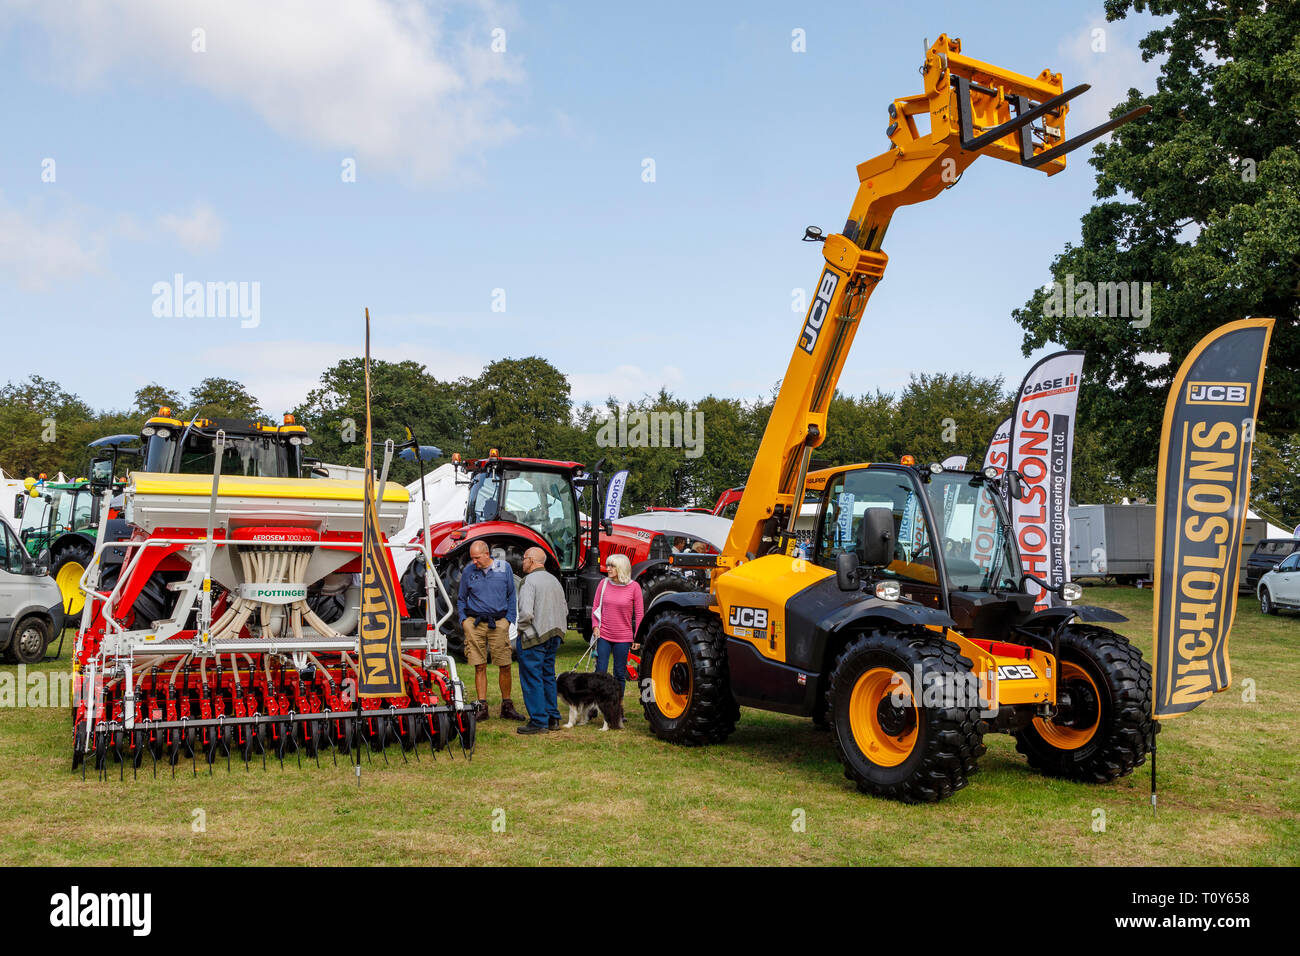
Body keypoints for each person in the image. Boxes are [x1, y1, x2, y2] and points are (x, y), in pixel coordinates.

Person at [458, 540, 525, 721]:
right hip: (475, 623)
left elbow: (512, 594)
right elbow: (461, 598)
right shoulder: (468, 571)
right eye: (472, 558)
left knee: (505, 664)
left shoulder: (505, 568)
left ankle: (507, 706)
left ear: (487, 554)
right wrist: (464, 621)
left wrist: (509, 620)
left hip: (499, 623)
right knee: (479, 665)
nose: (474, 562)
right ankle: (482, 706)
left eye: (477, 558)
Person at [514, 547, 567, 735]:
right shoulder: (554, 580)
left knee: (532, 678)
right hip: (554, 634)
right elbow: (565, 609)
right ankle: (553, 717)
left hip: (534, 636)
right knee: (547, 676)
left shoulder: (529, 581)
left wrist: (520, 629)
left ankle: (538, 721)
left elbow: (526, 612)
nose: (522, 562)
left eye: (524, 558)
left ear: (531, 560)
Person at [592, 553, 642, 698]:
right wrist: (595, 626)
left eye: (612, 566)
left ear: (621, 568)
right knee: (600, 672)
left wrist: (637, 637)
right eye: (608, 565)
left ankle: (617, 707)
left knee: (619, 673)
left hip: (623, 638)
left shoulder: (634, 587)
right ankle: (596, 705)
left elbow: (639, 615)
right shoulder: (603, 584)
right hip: (604, 636)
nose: (608, 568)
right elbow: (596, 607)